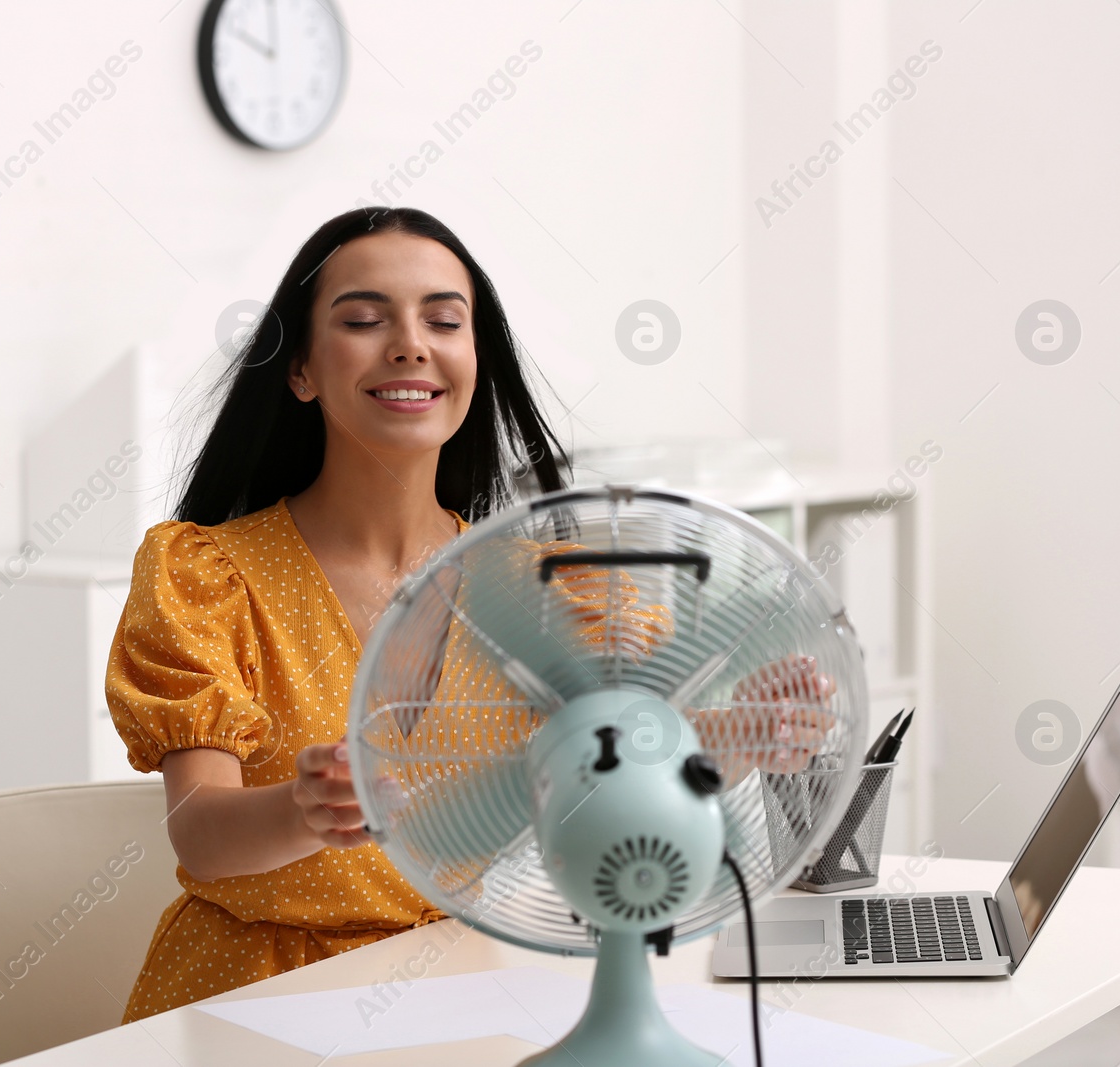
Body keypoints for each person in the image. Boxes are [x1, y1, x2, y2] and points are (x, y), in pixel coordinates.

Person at [105, 206, 833, 1021]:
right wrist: (302, 808)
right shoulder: (208, 575)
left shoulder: (544, 586)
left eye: (444, 319)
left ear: (474, 363)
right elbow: (200, 831)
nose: (410, 342)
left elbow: (623, 773)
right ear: (302, 369)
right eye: (363, 319)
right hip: (251, 998)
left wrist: (749, 731)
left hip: (459, 986)